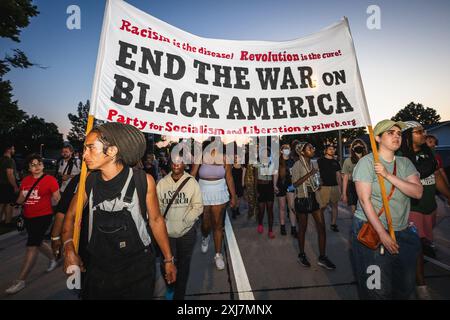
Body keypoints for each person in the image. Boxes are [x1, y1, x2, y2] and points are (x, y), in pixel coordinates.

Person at [62, 123, 176, 299]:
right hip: (99, 270)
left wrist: (168, 259)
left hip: (138, 270)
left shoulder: (143, 181)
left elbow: (156, 220)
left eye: (91, 148)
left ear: (112, 151)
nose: (84, 155)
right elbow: (70, 216)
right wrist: (68, 247)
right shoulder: (88, 183)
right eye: (85, 149)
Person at [352, 120, 423, 300]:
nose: (396, 136)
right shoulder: (366, 163)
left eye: (399, 134)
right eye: (390, 133)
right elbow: (364, 200)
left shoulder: (405, 162)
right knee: (376, 290)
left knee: (405, 287)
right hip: (372, 232)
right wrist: (382, 234)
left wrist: (387, 175)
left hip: (403, 232)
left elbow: (417, 192)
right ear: (377, 138)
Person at [400, 121, 450, 299]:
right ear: (408, 135)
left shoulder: (429, 152)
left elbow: (436, 176)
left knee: (421, 243)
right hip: (412, 208)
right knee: (416, 247)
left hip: (430, 206)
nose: (424, 133)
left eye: (423, 130)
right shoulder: (400, 157)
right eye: (418, 131)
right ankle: (421, 285)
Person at [5, 154, 60, 295]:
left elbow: (57, 199)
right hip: (29, 217)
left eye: (39, 163)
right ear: (29, 168)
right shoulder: (26, 180)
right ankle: (54, 258)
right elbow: (22, 197)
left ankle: (20, 281)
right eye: (33, 164)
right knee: (38, 241)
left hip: (43, 217)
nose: (36, 166)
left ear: (43, 165)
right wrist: (15, 204)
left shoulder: (50, 180)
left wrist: (63, 216)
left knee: (31, 245)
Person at [156, 154, 203, 300]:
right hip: (167, 234)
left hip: (186, 233)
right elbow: (156, 208)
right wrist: (162, 223)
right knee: (165, 263)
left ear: (185, 164)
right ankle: (170, 287)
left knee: (183, 266)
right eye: (174, 161)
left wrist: (185, 221)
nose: (176, 164)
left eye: (180, 162)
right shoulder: (162, 183)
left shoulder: (192, 183)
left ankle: (179, 296)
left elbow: (198, 207)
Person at [191, 139, 237, 271]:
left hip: (219, 191)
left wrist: (233, 196)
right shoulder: (201, 156)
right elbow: (193, 174)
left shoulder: (225, 158)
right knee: (206, 224)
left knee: (217, 224)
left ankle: (218, 255)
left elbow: (229, 177)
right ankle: (205, 236)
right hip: (203, 191)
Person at [292, 142, 336, 270]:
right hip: (302, 198)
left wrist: (318, 182)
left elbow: (315, 179)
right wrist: (310, 174)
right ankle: (301, 254)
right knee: (303, 228)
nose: (313, 149)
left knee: (321, 227)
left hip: (314, 197)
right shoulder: (297, 165)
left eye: (312, 147)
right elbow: (295, 184)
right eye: (309, 148)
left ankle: (322, 257)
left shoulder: (313, 163)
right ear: (302, 152)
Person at [273, 144, 297, 236]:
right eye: (285, 149)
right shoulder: (277, 161)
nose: (287, 150)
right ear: (281, 151)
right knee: (282, 208)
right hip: (280, 186)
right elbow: (275, 174)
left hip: (290, 186)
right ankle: (282, 226)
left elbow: (296, 175)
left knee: (292, 207)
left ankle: (293, 228)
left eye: (288, 148)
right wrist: (274, 185)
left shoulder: (292, 161)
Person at [318, 144, 342, 232]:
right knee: (322, 207)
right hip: (324, 187)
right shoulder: (320, 161)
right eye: (330, 149)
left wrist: (340, 188)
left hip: (334, 187)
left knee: (335, 206)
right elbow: (316, 173)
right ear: (326, 151)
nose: (332, 150)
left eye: (333, 149)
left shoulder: (336, 162)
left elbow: (338, 176)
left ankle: (333, 224)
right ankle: (320, 223)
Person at [342, 139, 368, 214]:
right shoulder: (348, 161)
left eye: (360, 145)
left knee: (365, 208)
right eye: (356, 146)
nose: (358, 147)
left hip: (366, 186)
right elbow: (345, 177)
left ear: (363, 147)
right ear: (352, 148)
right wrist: (344, 193)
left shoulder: (368, 159)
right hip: (352, 187)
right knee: (354, 209)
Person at [256, 147, 277, 238]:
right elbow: (255, 178)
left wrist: (274, 186)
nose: (266, 155)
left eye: (268, 153)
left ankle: (270, 230)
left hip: (269, 187)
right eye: (264, 153)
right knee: (261, 210)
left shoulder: (272, 164)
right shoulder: (257, 164)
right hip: (260, 187)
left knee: (270, 210)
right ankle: (260, 224)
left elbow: (274, 176)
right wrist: (256, 190)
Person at [0, 143, 19, 226]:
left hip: (1, 184)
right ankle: (8, 222)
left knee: (1, 204)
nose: (14, 150)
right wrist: (15, 186)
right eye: (13, 149)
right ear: (9, 149)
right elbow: (10, 174)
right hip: (7, 185)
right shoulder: (9, 160)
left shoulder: (1, 159)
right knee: (9, 204)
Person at [231, 154, 245, 219]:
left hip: (239, 184)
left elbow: (243, 177)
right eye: (235, 157)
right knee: (235, 198)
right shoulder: (231, 166)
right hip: (233, 185)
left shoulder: (243, 167)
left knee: (239, 198)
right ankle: (234, 211)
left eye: (237, 157)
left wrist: (243, 184)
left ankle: (237, 208)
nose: (236, 159)